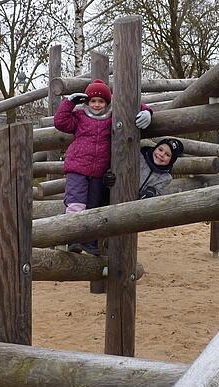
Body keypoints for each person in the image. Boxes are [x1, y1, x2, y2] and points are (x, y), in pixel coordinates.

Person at [53, 79, 153, 255]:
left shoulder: (112, 117)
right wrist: (68, 103)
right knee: (76, 204)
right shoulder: (79, 117)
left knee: (93, 206)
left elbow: (131, 103)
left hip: (99, 171)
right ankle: (73, 238)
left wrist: (147, 112)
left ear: (107, 102)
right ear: (87, 102)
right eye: (93, 101)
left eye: (101, 101)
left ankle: (89, 241)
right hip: (77, 167)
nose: (97, 105)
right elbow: (60, 122)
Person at [103, 137, 185, 199]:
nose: (161, 155)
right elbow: (120, 167)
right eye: (160, 149)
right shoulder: (139, 157)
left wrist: (152, 192)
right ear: (155, 148)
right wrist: (109, 176)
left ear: (171, 161)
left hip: (136, 206)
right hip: (114, 196)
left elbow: (158, 191)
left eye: (167, 155)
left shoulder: (165, 178)